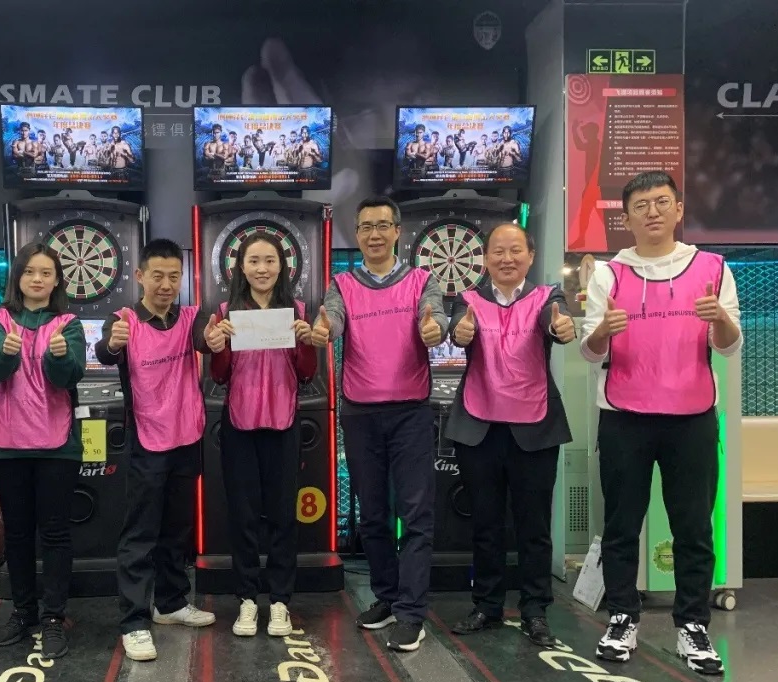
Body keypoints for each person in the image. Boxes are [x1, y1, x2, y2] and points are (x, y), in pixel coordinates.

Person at [581, 171, 742, 676]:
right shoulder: (609, 274)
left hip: (692, 419)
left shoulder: (713, 268)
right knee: (621, 525)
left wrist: (720, 319)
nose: (652, 212)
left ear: (678, 209)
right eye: (641, 205)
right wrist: (602, 331)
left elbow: (729, 346)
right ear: (626, 218)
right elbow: (590, 352)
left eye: (661, 202)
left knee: (693, 527)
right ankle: (622, 617)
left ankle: (692, 625)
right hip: (624, 418)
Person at [312, 195, 447, 652]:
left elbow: (436, 318)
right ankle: (387, 597)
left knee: (415, 515)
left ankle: (412, 612)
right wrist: (324, 329)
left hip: (410, 412)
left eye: (382, 225)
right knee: (372, 514)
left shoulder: (423, 280)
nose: (374, 234)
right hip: (361, 413)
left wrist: (435, 330)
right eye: (366, 226)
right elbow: (332, 318)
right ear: (357, 233)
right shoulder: (342, 284)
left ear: (397, 231)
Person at [444, 224, 575, 648]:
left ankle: (535, 610)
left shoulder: (547, 297)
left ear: (530, 256)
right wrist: (459, 334)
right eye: (498, 251)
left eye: (515, 250)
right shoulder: (468, 300)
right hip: (479, 428)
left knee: (534, 526)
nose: (506, 258)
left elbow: (555, 321)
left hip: (534, 430)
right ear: (485, 259)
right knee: (485, 524)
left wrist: (562, 328)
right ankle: (487, 605)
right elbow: (457, 329)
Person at [94, 239, 218, 662]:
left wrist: (213, 339)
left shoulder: (191, 317)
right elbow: (105, 352)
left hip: (187, 435)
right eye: (158, 276)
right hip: (147, 439)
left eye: (173, 276)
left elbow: (204, 339)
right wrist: (113, 344)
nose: (166, 285)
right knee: (140, 532)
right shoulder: (124, 320)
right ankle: (133, 621)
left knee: (177, 528)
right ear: (140, 276)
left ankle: (171, 602)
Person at [0, 242, 87, 660]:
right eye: (29, 272)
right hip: (7, 446)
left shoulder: (68, 324)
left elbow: (70, 376)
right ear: (17, 277)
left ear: (57, 280)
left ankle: (54, 617)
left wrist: (59, 358)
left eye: (46, 272)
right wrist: (3, 355)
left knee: (55, 532)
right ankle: (23, 611)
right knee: (18, 532)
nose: (37, 279)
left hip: (58, 446)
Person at [208, 233, 316, 638]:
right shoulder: (226, 313)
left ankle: (281, 600)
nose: (262, 268)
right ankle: (248, 599)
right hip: (240, 424)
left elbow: (307, 373)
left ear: (282, 266)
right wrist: (218, 344)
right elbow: (220, 375)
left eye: (270, 260)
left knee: (284, 515)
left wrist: (306, 342)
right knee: (244, 515)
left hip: (283, 422)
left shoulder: (298, 311)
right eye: (254, 261)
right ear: (241, 267)